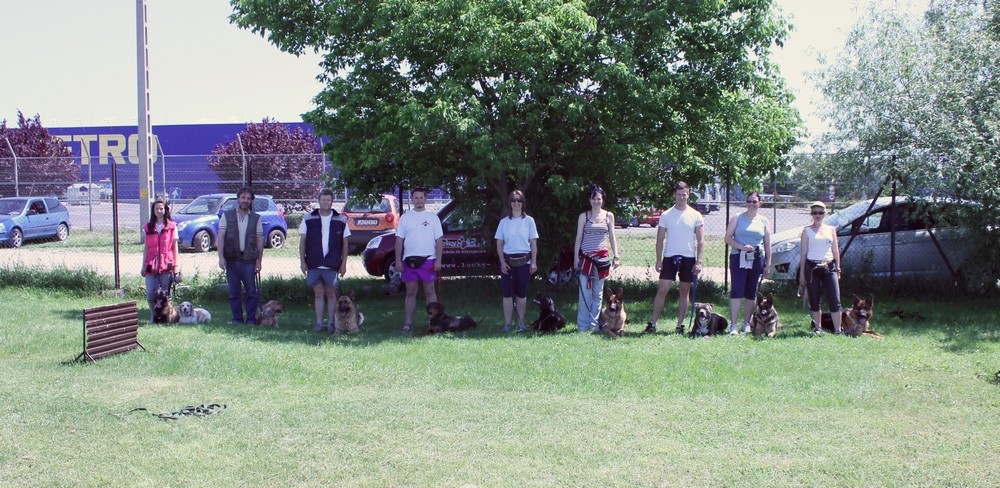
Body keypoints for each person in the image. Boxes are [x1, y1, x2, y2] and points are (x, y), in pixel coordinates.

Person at [645, 182, 705, 335]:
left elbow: (701, 240)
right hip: (669, 257)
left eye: (684, 194)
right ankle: (653, 324)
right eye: (679, 195)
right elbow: (660, 239)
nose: (681, 197)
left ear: (688, 195)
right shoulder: (666, 215)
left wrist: (699, 262)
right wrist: (658, 260)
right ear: (675, 195)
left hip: (688, 258)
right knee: (662, 289)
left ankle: (680, 325)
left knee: (684, 291)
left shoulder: (696, 215)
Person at [299, 188, 350, 333]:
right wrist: (302, 261)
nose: (326, 202)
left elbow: (345, 243)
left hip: (332, 263)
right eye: (323, 200)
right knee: (318, 293)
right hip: (314, 262)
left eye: (329, 200)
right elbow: (303, 241)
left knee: (331, 293)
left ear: (332, 202)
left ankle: (332, 324)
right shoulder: (308, 218)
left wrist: (343, 263)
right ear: (319, 201)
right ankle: (319, 323)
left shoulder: (341, 219)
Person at [395, 187, 443, 333]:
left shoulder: (433, 218)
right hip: (409, 261)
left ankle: (433, 322)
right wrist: (398, 260)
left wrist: (438, 260)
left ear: (425, 199)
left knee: (430, 291)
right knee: (411, 292)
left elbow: (439, 241)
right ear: (412, 199)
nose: (419, 200)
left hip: (428, 260)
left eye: (421, 197)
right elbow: (399, 240)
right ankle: (408, 323)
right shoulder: (405, 217)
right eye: (416, 198)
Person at [572, 185, 620, 332]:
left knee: (597, 294)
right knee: (584, 294)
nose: (596, 201)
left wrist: (616, 256)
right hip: (585, 260)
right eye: (593, 199)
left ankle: (594, 326)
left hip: (602, 261)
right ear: (589, 200)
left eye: (598, 199)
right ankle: (582, 326)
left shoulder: (609, 216)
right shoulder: (584, 216)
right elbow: (578, 237)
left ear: (603, 200)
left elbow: (612, 237)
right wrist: (576, 258)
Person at [723, 191, 772, 334]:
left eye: (754, 201)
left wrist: (768, 263)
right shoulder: (737, 218)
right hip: (738, 256)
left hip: (756, 258)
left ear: (759, 203)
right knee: (737, 290)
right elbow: (727, 238)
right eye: (749, 201)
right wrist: (742, 247)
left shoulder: (764, 220)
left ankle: (746, 323)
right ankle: (733, 325)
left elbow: (767, 244)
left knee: (751, 291)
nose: (751, 204)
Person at [217, 186, 264, 325]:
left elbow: (260, 241)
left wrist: (259, 261)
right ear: (238, 199)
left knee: (252, 292)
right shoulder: (227, 216)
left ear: (251, 201)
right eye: (243, 197)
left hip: (249, 260)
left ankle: (251, 319)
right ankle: (237, 319)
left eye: (248, 198)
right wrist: (221, 258)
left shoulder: (256, 218)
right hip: (231, 259)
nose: (245, 200)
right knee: (234, 292)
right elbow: (221, 237)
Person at [495, 190, 539, 333]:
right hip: (507, 262)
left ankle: (521, 323)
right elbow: (499, 244)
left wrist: (533, 262)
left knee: (521, 294)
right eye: (513, 200)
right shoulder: (503, 222)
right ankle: (507, 324)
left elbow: (533, 243)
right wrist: (502, 262)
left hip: (524, 262)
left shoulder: (529, 221)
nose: (516, 203)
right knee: (507, 294)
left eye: (519, 200)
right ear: (510, 203)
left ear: (523, 203)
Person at [799, 201, 843, 334]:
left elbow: (835, 251)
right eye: (815, 213)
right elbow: (803, 253)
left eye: (820, 212)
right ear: (811, 214)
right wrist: (802, 274)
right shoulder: (806, 231)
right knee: (814, 299)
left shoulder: (831, 230)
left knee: (835, 299)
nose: (817, 215)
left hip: (829, 267)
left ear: (825, 213)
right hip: (812, 268)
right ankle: (818, 328)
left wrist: (838, 269)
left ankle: (838, 329)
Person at [141, 196, 179, 313]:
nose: (159, 211)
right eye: (156, 209)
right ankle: (154, 316)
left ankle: (168, 317)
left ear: (165, 210)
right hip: (151, 265)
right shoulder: (147, 228)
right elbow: (146, 249)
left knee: (166, 295)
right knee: (150, 294)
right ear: (153, 210)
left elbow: (175, 248)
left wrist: (176, 267)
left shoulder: (172, 227)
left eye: (161, 208)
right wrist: (143, 266)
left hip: (166, 265)